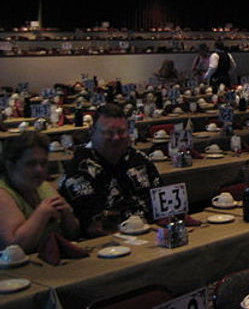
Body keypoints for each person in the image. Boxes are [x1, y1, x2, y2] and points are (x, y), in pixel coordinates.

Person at [60, 104, 162, 237]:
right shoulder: (80, 170)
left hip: (152, 234)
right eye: (108, 133)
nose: (116, 138)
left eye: (121, 132)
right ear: (93, 133)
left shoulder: (139, 159)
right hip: (110, 243)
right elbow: (93, 228)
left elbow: (161, 203)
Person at [0, 132, 79, 252]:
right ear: (10, 166)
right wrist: (42, 213)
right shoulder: (3, 195)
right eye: (31, 164)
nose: (40, 169)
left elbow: (73, 234)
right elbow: (15, 247)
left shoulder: (42, 187)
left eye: (43, 163)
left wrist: (67, 215)